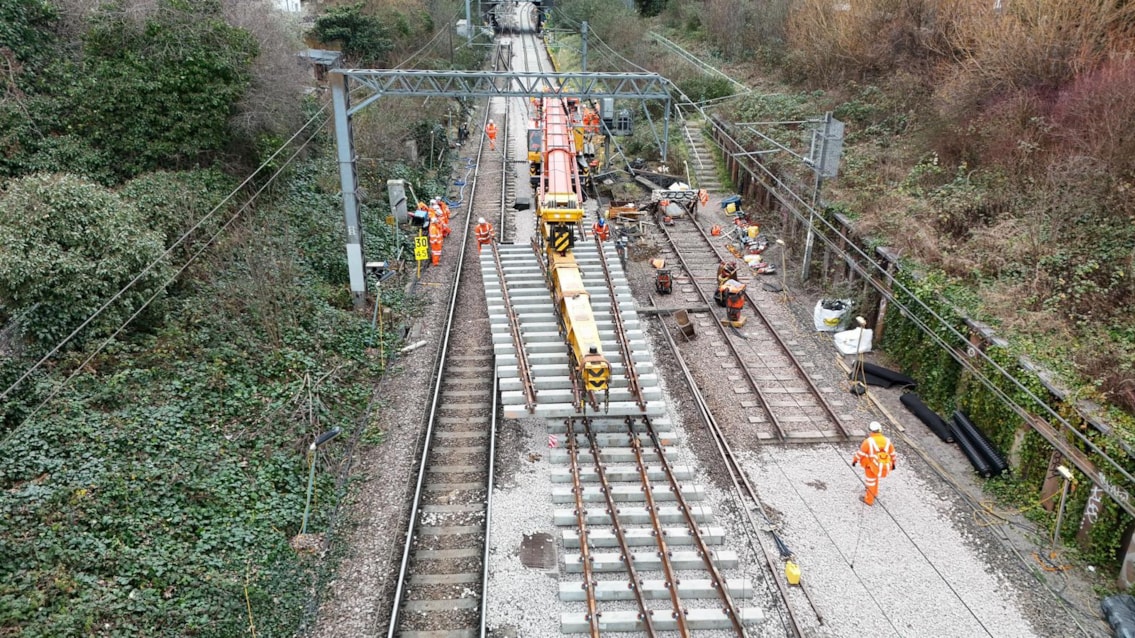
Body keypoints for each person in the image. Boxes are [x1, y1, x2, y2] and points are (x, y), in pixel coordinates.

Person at [852, 421, 896, 506]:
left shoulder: (868, 441)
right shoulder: (887, 441)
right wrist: (893, 463)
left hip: (870, 465)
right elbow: (893, 454)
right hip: (882, 465)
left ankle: (869, 500)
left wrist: (855, 460)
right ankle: (874, 493)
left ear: (871, 431)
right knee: (875, 479)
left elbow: (860, 453)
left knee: (870, 482)